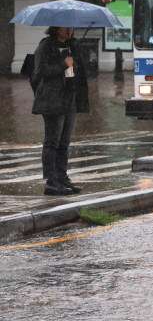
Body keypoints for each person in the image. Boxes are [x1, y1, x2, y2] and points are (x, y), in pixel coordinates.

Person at [31, 26, 89, 196]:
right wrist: (63, 64)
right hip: (52, 99)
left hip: (69, 98)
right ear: (56, 28)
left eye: (71, 27)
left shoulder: (72, 45)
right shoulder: (45, 46)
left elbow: (76, 72)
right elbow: (40, 72)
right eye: (66, 27)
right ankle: (51, 181)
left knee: (64, 142)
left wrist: (74, 66)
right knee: (52, 141)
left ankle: (62, 177)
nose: (69, 30)